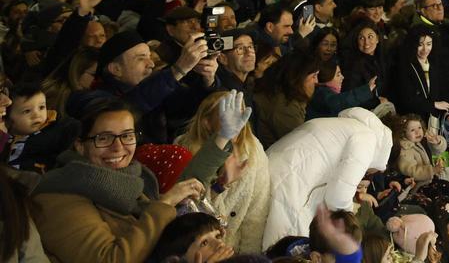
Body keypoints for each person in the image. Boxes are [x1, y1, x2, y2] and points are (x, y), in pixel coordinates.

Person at [28, 98, 222, 263]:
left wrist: (222, 138)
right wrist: (165, 203)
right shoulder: (57, 197)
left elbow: (184, 189)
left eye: (127, 136)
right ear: (80, 145)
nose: (118, 147)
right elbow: (109, 259)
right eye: (104, 138)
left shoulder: (131, 180)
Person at [262, 107, 393, 249]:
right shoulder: (367, 140)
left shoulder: (348, 126)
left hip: (273, 165)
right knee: (279, 246)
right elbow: (339, 197)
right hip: (290, 180)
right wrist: (351, 218)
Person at [177, 90, 272, 253]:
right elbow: (188, 214)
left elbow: (256, 215)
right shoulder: (184, 152)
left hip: (234, 250)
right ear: (206, 122)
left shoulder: (253, 152)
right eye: (226, 114)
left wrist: (249, 257)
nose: (236, 121)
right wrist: (219, 186)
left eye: (240, 114)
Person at [2, 81, 78, 171]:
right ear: (8, 118)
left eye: (41, 107)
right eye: (27, 111)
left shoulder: (55, 131)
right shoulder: (4, 137)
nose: (37, 115)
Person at [387, 27, 449, 125]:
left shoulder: (435, 64)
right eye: (420, 44)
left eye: (429, 44)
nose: (425, 49)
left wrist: (447, 114)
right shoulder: (404, 66)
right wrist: (433, 105)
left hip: (432, 122)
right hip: (411, 122)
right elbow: (406, 99)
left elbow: (442, 92)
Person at [255, 50, 321, 148]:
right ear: (298, 77)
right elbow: (300, 146)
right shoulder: (284, 107)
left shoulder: (284, 96)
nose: (317, 81)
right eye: (314, 76)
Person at [389, 112, 449, 190]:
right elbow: (411, 171)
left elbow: (441, 150)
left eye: (419, 128)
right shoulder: (405, 150)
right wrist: (433, 170)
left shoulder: (421, 140)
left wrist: (438, 142)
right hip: (419, 187)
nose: (417, 132)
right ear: (404, 133)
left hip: (430, 180)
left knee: (447, 185)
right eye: (412, 130)